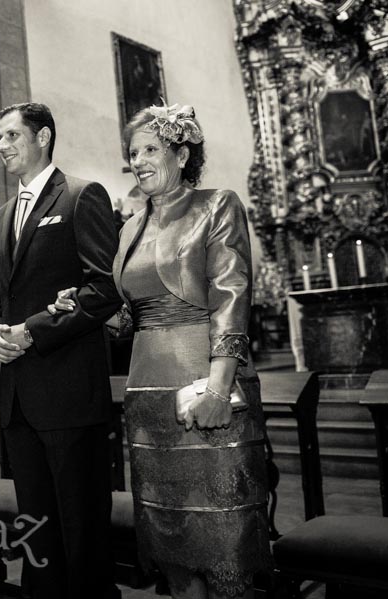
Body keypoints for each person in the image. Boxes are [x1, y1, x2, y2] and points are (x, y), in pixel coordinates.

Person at [51, 103, 272, 599]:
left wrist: (219, 386)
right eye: (133, 152)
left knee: (222, 528)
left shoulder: (217, 204)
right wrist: (83, 308)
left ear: (182, 151)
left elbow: (232, 296)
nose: (140, 160)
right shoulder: (129, 227)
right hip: (147, 394)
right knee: (171, 531)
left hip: (206, 385)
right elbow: (130, 318)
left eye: (151, 149)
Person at [0, 102, 123, 598]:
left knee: (82, 529)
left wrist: (31, 331)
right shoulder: (0, 218)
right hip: (18, 398)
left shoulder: (82, 196)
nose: (2, 147)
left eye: (12, 136)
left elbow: (103, 289)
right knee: (36, 531)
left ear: (43, 137)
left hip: (69, 393)